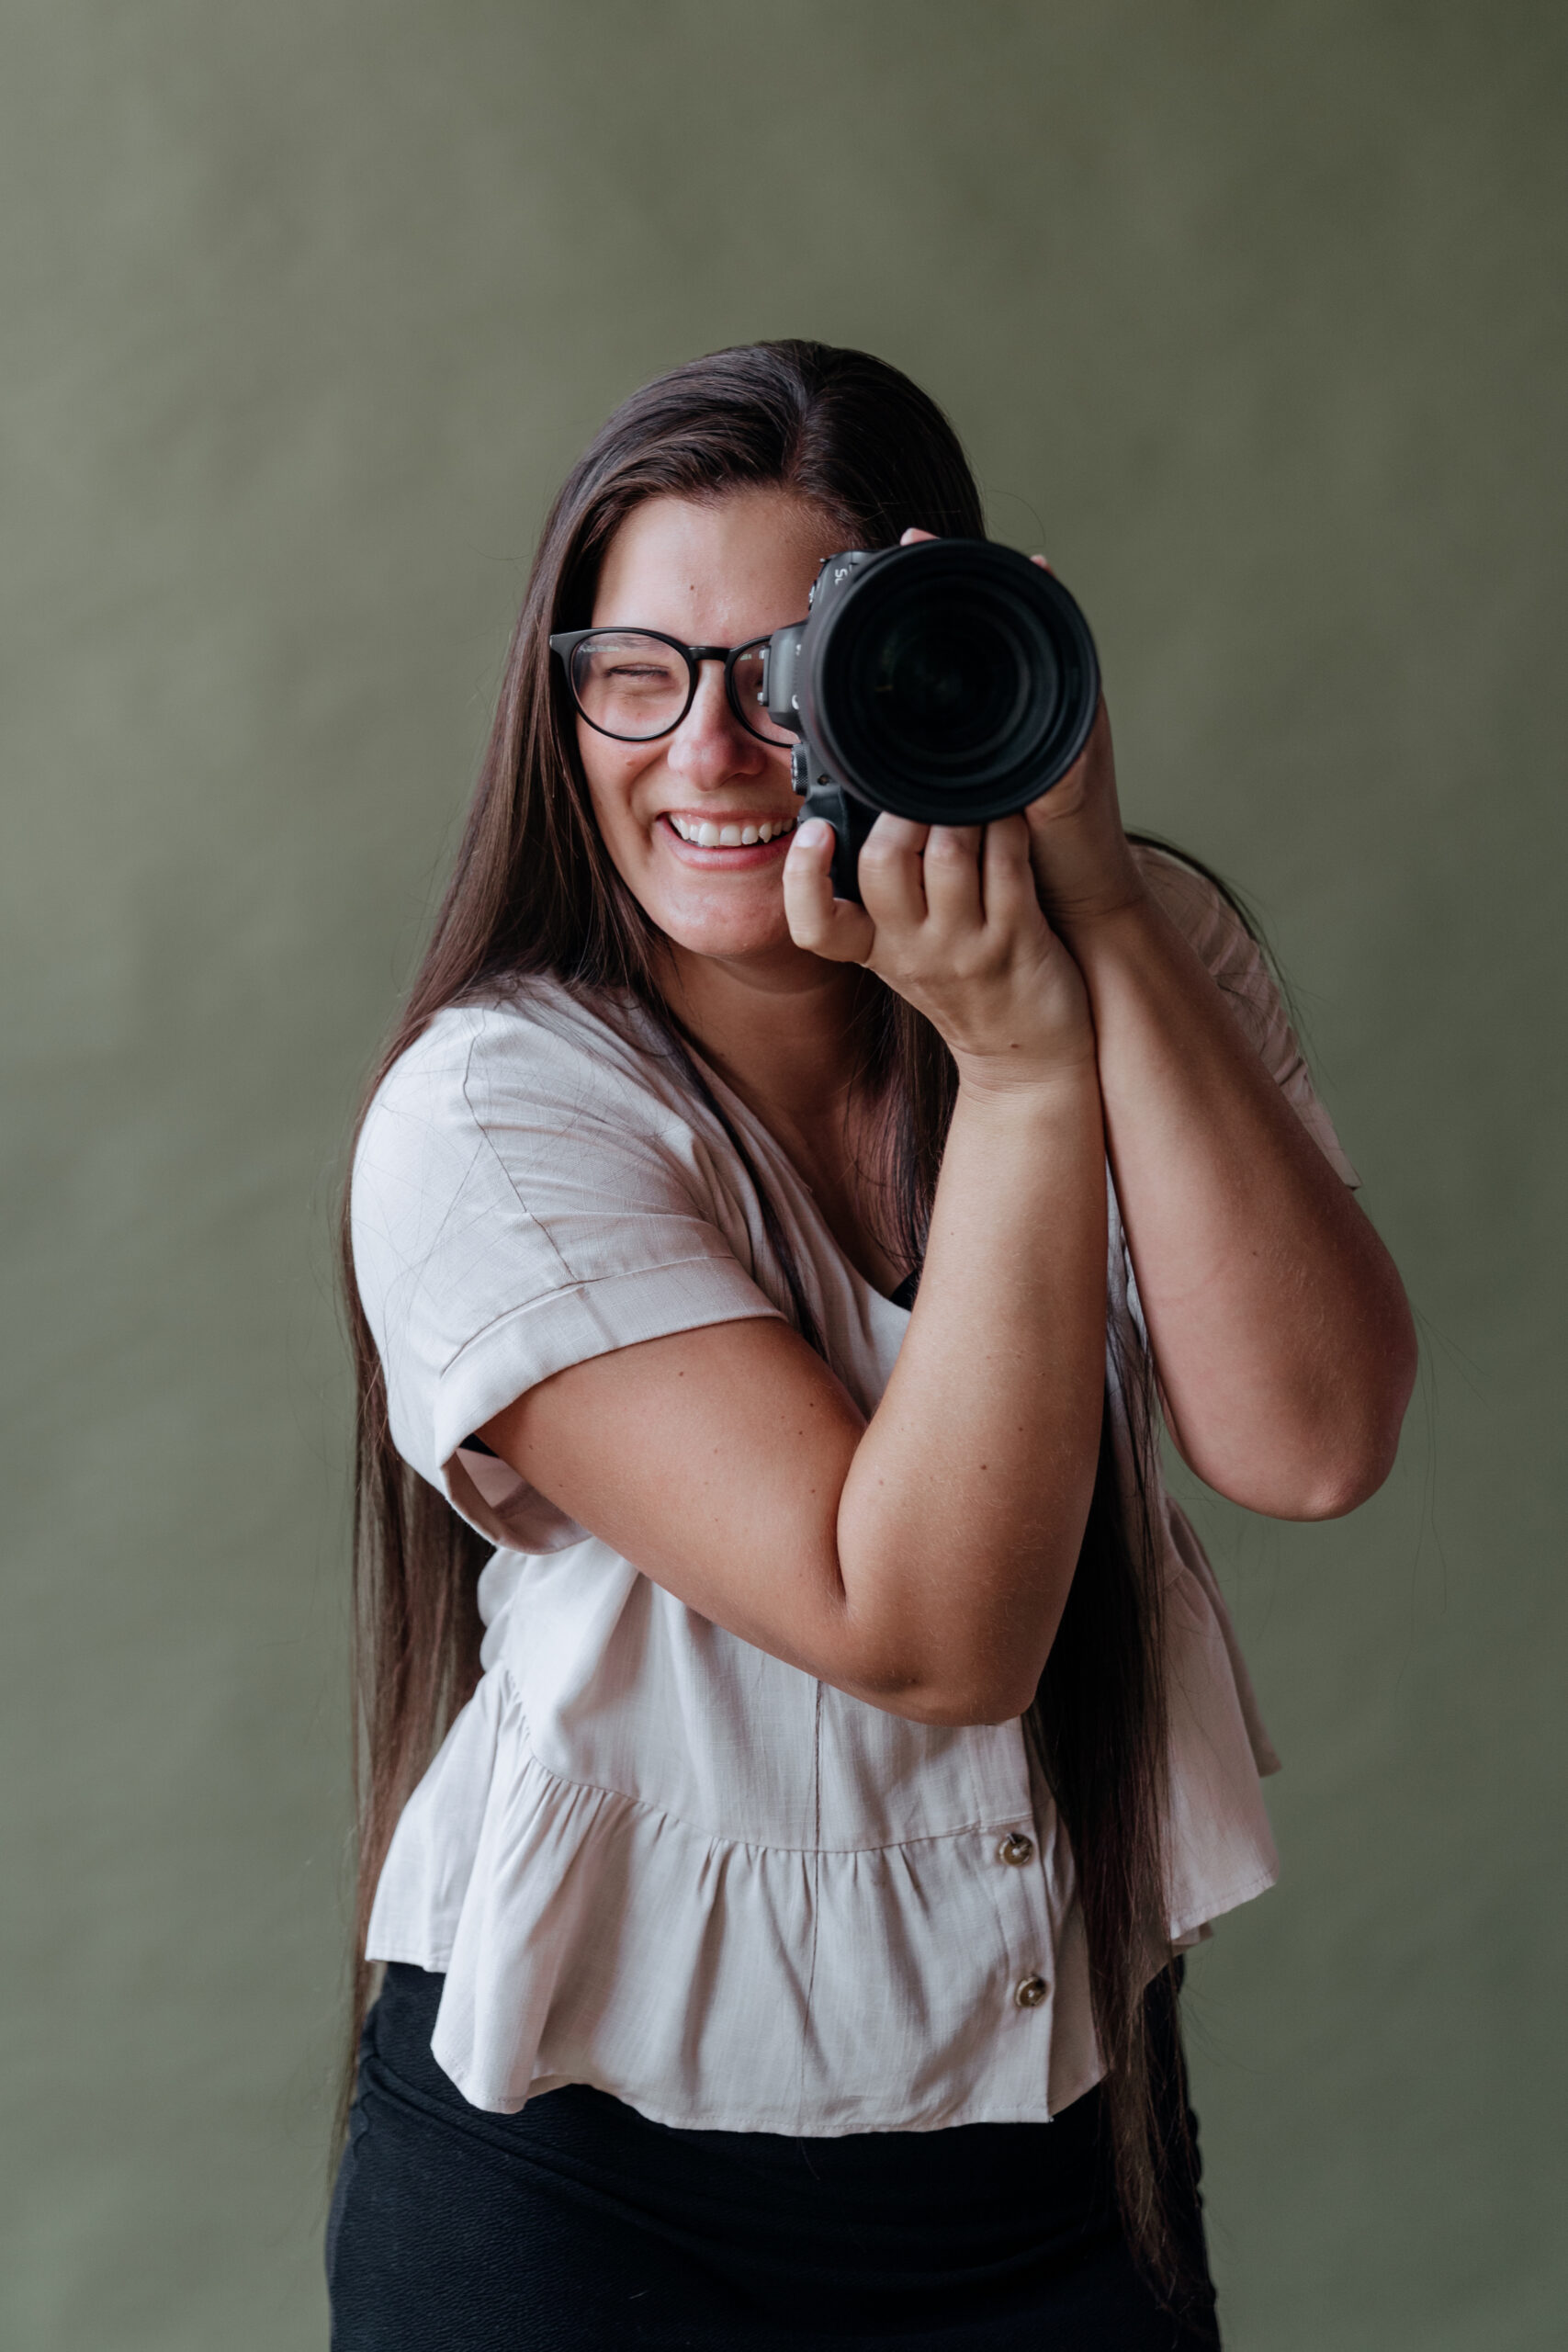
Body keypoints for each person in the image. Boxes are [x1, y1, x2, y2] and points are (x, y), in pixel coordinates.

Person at [326, 341, 1416, 2348]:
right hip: (590, 2186)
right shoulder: (496, 1111)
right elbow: (919, 1625)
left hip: (1060, 2157)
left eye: (787, 671)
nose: (710, 751)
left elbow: (1312, 1433)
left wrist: (1087, 911)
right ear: (558, 698)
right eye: (634, 670)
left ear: (943, 657)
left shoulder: (1133, 949)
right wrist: (1019, 1074)